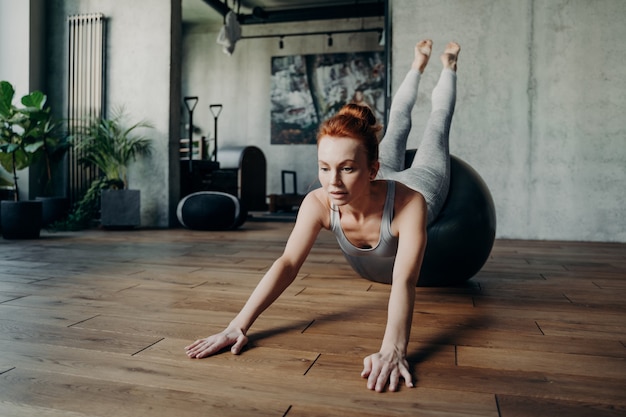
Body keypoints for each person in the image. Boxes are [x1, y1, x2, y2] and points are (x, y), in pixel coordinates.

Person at [185, 39, 460, 393]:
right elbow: (287, 263)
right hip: (375, 182)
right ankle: (418, 64)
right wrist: (237, 324)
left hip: (418, 181)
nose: (332, 182)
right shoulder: (318, 202)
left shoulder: (412, 205)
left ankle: (449, 65)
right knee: (397, 120)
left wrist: (393, 349)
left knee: (436, 125)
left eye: (346, 168)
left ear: (371, 168)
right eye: (324, 168)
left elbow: (404, 280)